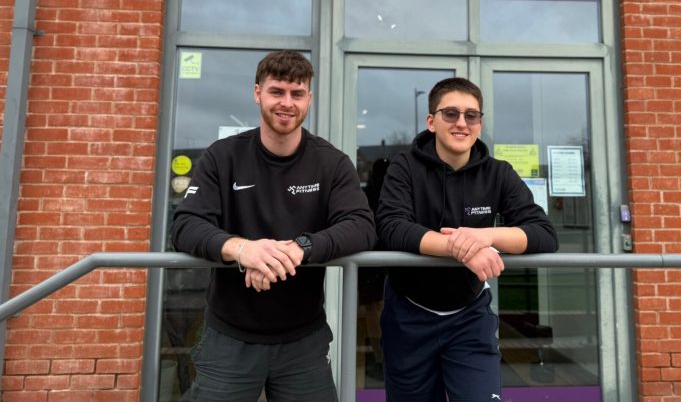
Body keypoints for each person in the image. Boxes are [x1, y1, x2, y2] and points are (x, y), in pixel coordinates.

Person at [171, 50, 376, 402]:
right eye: (276, 92)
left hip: (303, 339)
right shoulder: (224, 156)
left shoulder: (330, 163)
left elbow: (361, 225)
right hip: (230, 336)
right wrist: (243, 249)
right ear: (257, 93)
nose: (287, 103)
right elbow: (186, 225)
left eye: (297, 94)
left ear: (309, 98)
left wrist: (299, 248)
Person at [375, 77, 559, 402]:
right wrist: (462, 250)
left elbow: (543, 233)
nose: (462, 123)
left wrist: (483, 236)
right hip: (408, 314)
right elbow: (392, 227)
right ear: (431, 122)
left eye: (471, 115)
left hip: (469, 316)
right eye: (451, 114)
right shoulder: (404, 167)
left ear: (479, 123)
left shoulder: (498, 173)